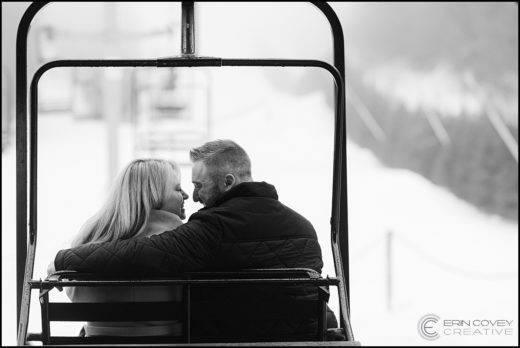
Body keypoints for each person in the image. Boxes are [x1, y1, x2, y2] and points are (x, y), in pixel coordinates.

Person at [50, 139, 337, 336]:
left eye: (199, 185)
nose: (195, 196)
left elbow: (145, 253)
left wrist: (66, 258)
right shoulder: (305, 227)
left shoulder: (212, 228)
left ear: (228, 182)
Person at [63, 158, 189, 337]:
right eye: (177, 188)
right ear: (154, 195)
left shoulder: (91, 235)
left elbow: (74, 295)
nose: (186, 195)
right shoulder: (181, 238)